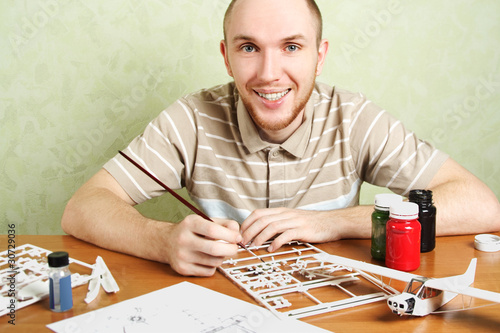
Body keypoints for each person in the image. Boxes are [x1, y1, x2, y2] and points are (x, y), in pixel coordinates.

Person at [62, 0, 500, 277]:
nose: (270, 73)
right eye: (249, 47)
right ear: (227, 57)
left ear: (319, 55)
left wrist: (331, 223)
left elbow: (482, 205)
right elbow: (83, 208)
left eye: (291, 46)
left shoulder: (356, 117)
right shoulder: (190, 118)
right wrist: (161, 240)